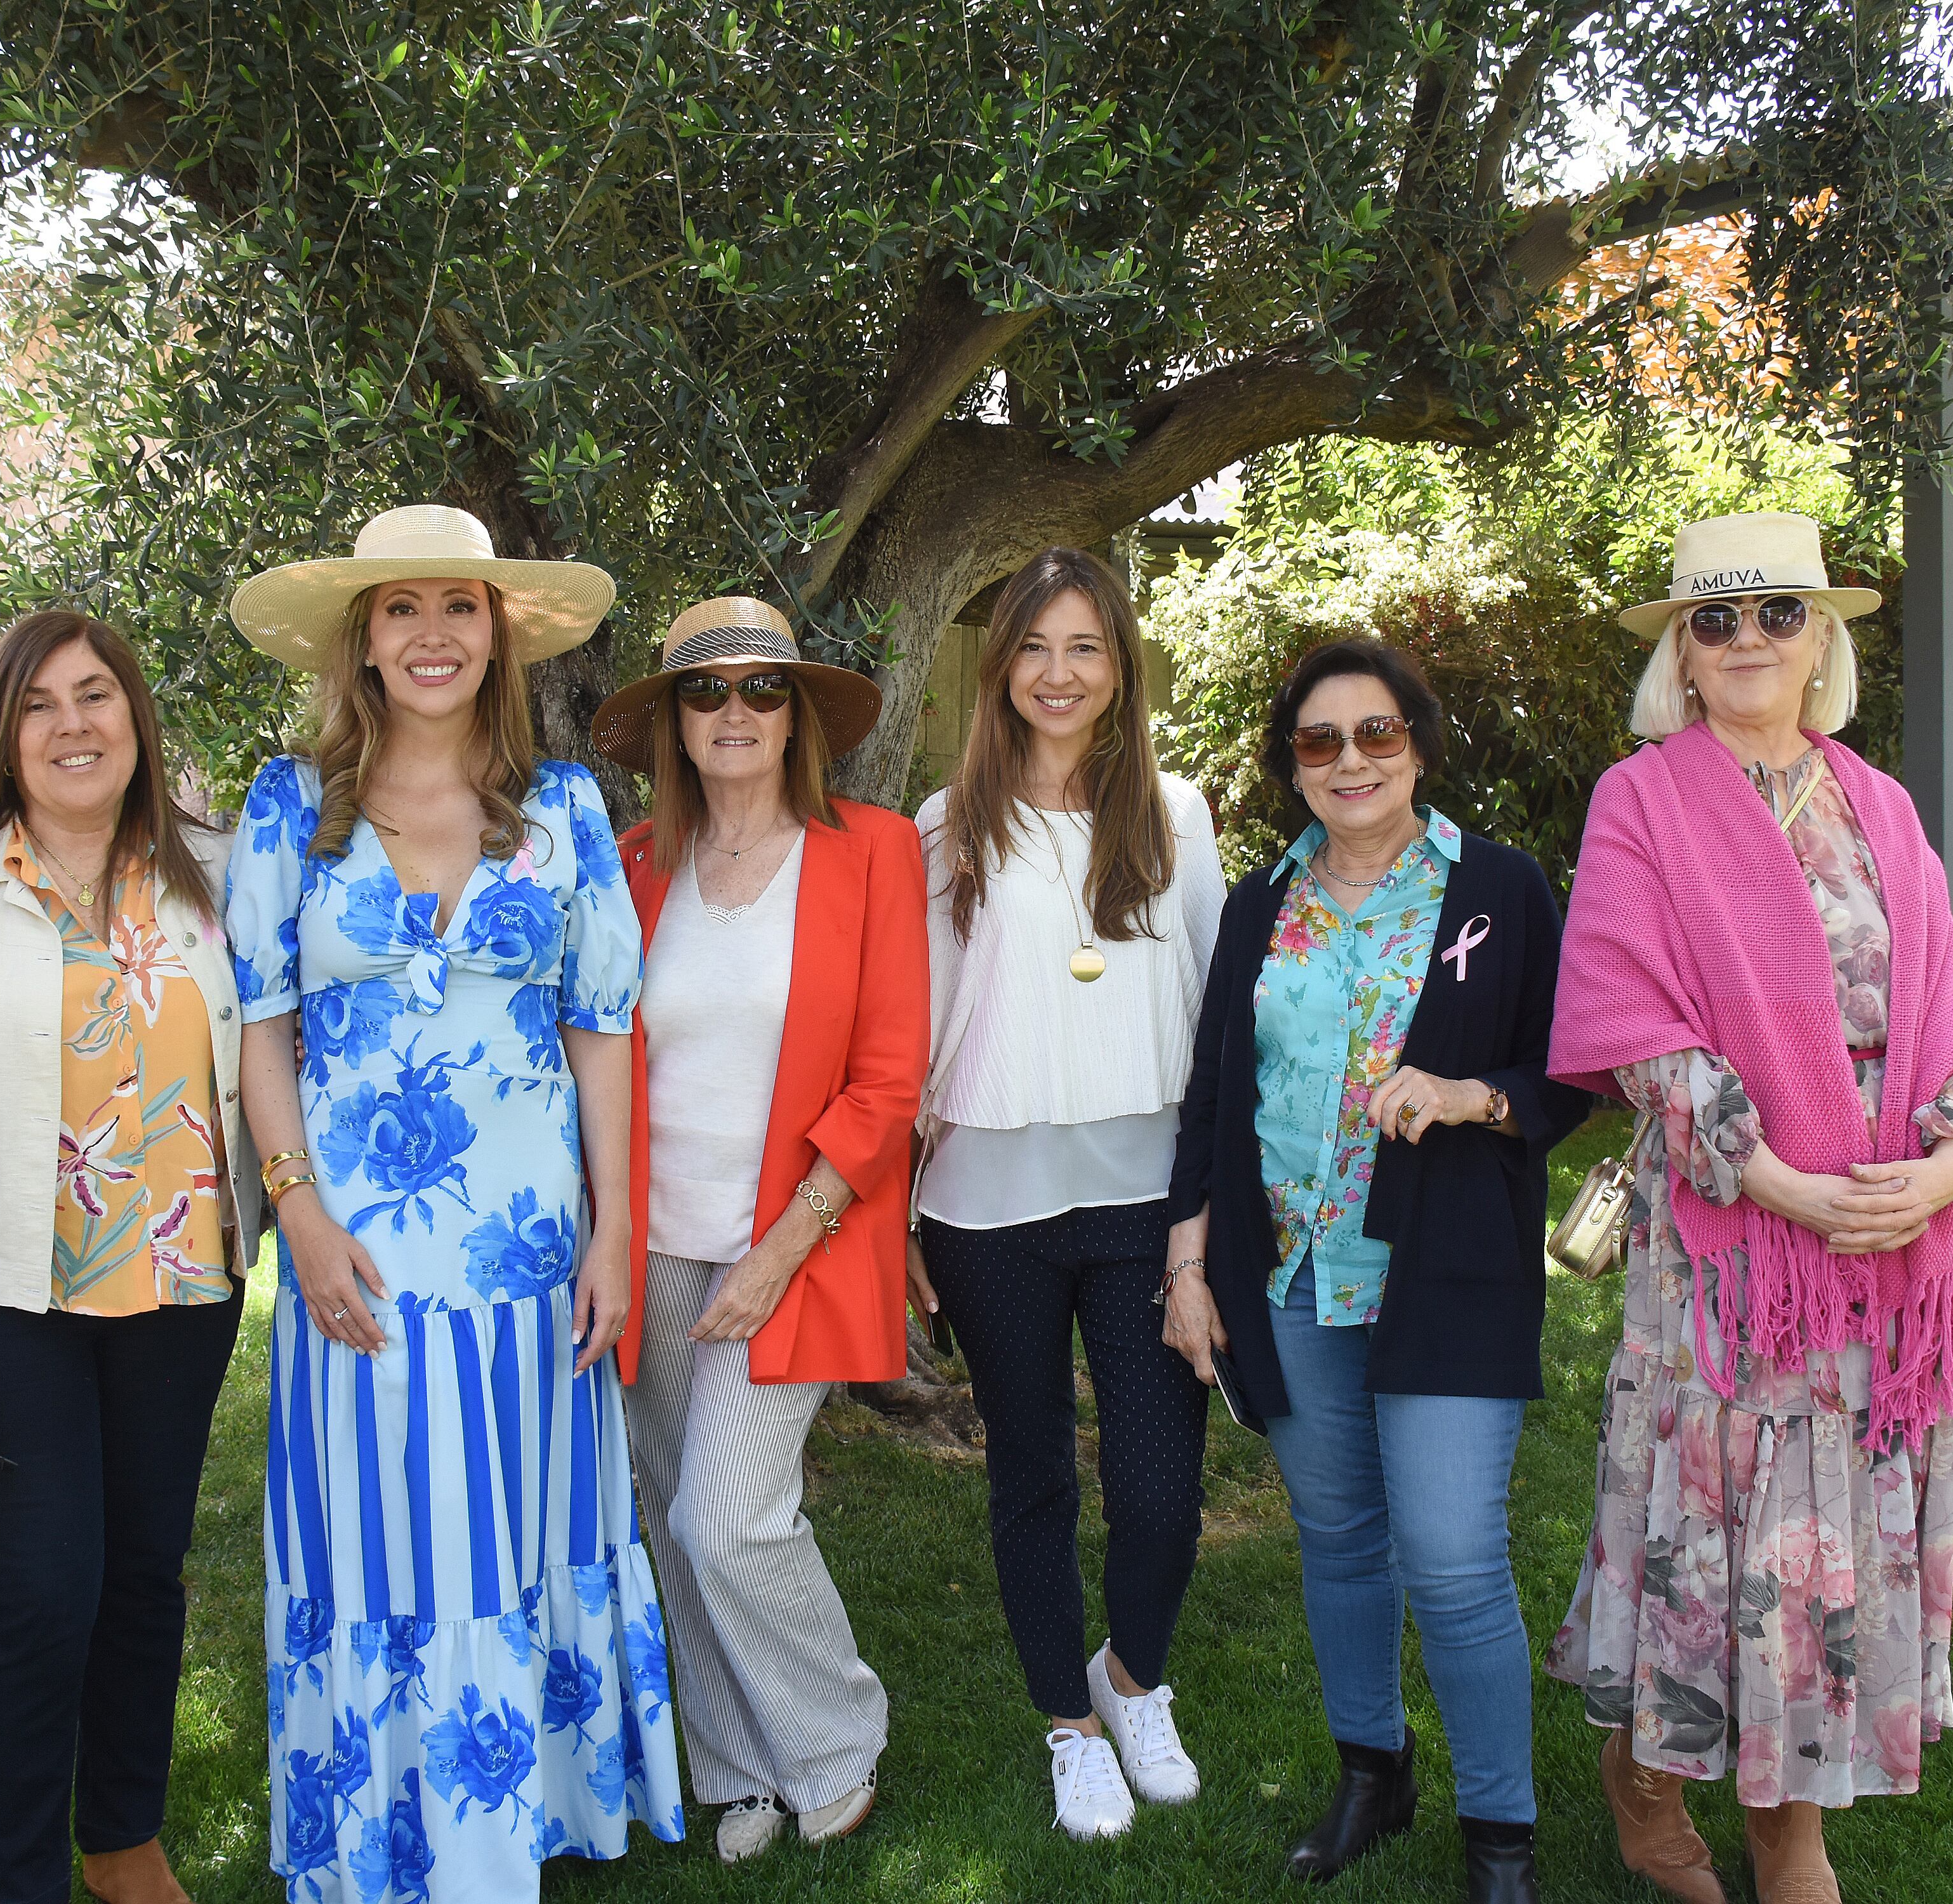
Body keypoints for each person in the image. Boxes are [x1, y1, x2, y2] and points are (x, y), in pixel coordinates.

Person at [1543, 513, 1953, 1904]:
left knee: (1833, 1539)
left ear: (1824, 640)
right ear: (1680, 658)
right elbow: (1633, 1020)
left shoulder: (1879, 802)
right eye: (1715, 619)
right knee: (1729, 1527)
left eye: (1777, 614)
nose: (1748, 639)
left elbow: (1951, 1013)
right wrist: (1780, 1184)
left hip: (1882, 1244)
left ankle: (1780, 1820)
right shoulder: (1641, 801)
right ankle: (1658, 1775)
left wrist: (1946, 1162)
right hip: (1732, 1243)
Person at [223, 504, 683, 1901]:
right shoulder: (285, 806)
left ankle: (518, 1813)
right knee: (374, 1522)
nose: (432, 635)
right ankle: (378, 1832)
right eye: (401, 608)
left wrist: (613, 1225)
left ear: (499, 635)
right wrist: (294, 1213)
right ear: (361, 638)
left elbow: (602, 1021)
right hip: (351, 1248)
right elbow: (260, 1023)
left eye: (460, 608)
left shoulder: (563, 811)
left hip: (530, 1244)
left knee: (516, 1515)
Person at [1160, 641, 1586, 1901]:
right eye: (1318, 741)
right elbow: (1211, 1102)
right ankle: (1372, 1772)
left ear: (1418, 744)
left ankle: (1497, 1837)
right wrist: (1190, 1265)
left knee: (1452, 1559)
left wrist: (1467, 1097)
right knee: (1340, 1542)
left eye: (1376, 734)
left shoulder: (1499, 890)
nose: (1349, 762)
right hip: (1288, 1279)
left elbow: (1572, 1071)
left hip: (1445, 1273)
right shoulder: (1257, 905)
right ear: (1291, 762)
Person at [0, 611, 262, 1904]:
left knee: (142, 1575)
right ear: (2, 738)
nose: (74, 725)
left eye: (97, 696)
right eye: (39, 705)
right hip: (6, 1293)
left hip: (184, 1281)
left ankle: (123, 1839)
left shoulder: (218, 870)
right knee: (41, 1592)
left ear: (136, 717)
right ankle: (18, 1876)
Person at [589, 595, 928, 1861]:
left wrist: (782, 1246)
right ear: (673, 722)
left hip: (795, 1236)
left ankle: (836, 1740)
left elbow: (891, 1075)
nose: (734, 714)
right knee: (670, 1504)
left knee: (727, 1519)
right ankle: (735, 1765)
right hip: (650, 1240)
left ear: (798, 717)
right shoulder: (633, 864)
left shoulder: (872, 851)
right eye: (706, 692)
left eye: (761, 690)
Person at [907, 545, 1227, 1841]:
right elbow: (912, 1030)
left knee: (1160, 1491)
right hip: (986, 1210)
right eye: (1035, 648)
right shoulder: (947, 827)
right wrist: (892, 1214)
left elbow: (1215, 1017)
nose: (1058, 673)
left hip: (1143, 1201)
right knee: (1031, 1472)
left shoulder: (1175, 812)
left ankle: (1132, 1677)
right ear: (1000, 670)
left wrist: (1208, 1212)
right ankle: (1069, 1725)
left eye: (1085, 647)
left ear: (1120, 667)